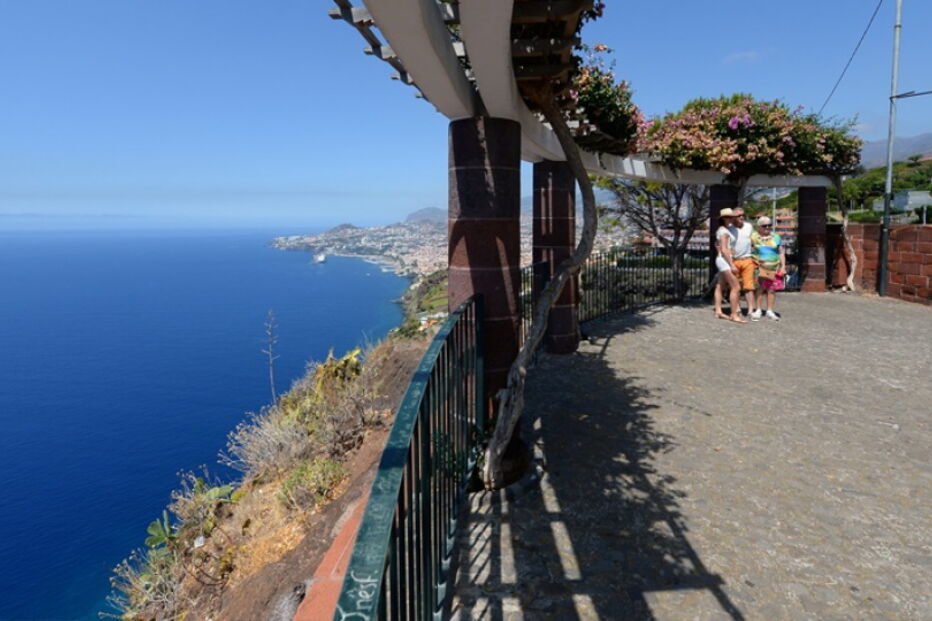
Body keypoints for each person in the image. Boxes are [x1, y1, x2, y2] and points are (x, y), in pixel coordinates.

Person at [713, 208, 746, 323]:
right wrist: (731, 264)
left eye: (731, 217)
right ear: (723, 219)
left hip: (722, 259)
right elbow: (724, 249)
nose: (730, 219)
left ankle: (718, 311)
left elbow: (721, 247)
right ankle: (734, 314)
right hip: (725, 261)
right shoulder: (724, 232)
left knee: (720, 285)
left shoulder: (722, 230)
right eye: (728, 217)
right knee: (736, 287)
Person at [750, 216, 786, 321]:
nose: (767, 227)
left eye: (769, 225)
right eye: (764, 225)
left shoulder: (776, 237)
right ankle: (758, 309)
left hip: (774, 266)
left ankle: (770, 310)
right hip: (759, 266)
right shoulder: (753, 237)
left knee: (772, 289)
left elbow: (781, 252)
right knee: (759, 288)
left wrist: (783, 267)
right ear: (759, 226)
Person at [729, 208, 757, 317]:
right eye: (739, 215)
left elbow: (753, 240)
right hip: (734, 261)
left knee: (749, 287)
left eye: (743, 215)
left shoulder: (749, 226)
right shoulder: (729, 229)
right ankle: (737, 308)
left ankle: (750, 310)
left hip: (747, 259)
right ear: (733, 218)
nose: (742, 217)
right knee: (735, 287)